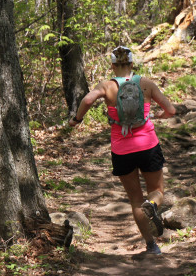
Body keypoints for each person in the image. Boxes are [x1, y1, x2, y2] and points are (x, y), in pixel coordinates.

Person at [68, 46, 176, 256]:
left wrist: (76, 119)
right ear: (132, 64)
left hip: (122, 149)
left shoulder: (107, 86)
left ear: (112, 65)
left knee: (135, 199)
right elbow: (170, 110)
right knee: (157, 192)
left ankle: (151, 246)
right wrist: (161, 116)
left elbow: (88, 100)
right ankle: (153, 204)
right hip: (148, 145)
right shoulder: (146, 84)